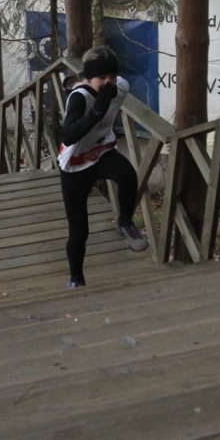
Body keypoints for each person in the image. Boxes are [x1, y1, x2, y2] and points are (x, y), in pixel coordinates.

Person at [57, 46, 147, 289]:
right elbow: (68, 136)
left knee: (127, 175)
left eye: (112, 76)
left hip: (101, 152)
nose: (108, 83)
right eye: (101, 78)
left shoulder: (121, 87)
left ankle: (125, 221)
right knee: (79, 231)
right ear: (88, 78)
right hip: (75, 163)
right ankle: (76, 278)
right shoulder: (80, 97)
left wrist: (107, 97)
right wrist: (97, 110)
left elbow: (117, 87)